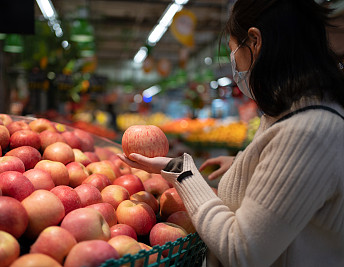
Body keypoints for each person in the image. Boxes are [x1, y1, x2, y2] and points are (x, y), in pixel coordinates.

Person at [118, 0, 344, 266]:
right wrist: (246, 166)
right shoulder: (290, 112)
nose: (233, 62)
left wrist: (182, 171)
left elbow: (243, 252)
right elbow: (296, 183)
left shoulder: (308, 131)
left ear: (255, 42)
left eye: (232, 50)